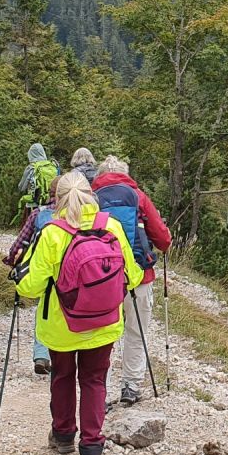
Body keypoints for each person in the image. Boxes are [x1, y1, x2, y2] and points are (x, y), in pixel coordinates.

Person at [15, 170, 143, 455]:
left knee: (62, 376)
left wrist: (19, 273)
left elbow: (30, 287)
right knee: (95, 380)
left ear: (57, 200)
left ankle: (62, 436)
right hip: (104, 323)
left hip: (63, 325)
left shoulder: (52, 233)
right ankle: (92, 448)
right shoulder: (110, 225)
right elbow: (133, 275)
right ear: (90, 196)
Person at [92, 154, 172, 406]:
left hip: (101, 277)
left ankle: (99, 391)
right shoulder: (137, 196)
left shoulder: (90, 197)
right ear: (126, 173)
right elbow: (162, 238)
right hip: (139, 275)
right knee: (136, 330)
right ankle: (130, 386)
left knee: (103, 333)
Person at [15, 143, 60, 375]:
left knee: (44, 307)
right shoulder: (53, 166)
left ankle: (41, 355)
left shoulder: (31, 169)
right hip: (68, 271)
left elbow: (20, 244)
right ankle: (60, 357)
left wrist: (15, 262)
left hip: (36, 221)